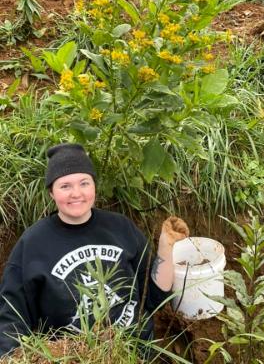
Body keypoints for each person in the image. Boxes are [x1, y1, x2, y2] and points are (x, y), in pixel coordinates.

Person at [0, 143, 189, 357]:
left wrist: (166, 245)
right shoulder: (33, 244)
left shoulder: (121, 227)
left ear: (94, 186)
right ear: (51, 192)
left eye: (84, 183)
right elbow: (11, 318)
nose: (76, 193)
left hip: (134, 354)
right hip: (75, 357)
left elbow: (155, 296)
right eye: (65, 186)